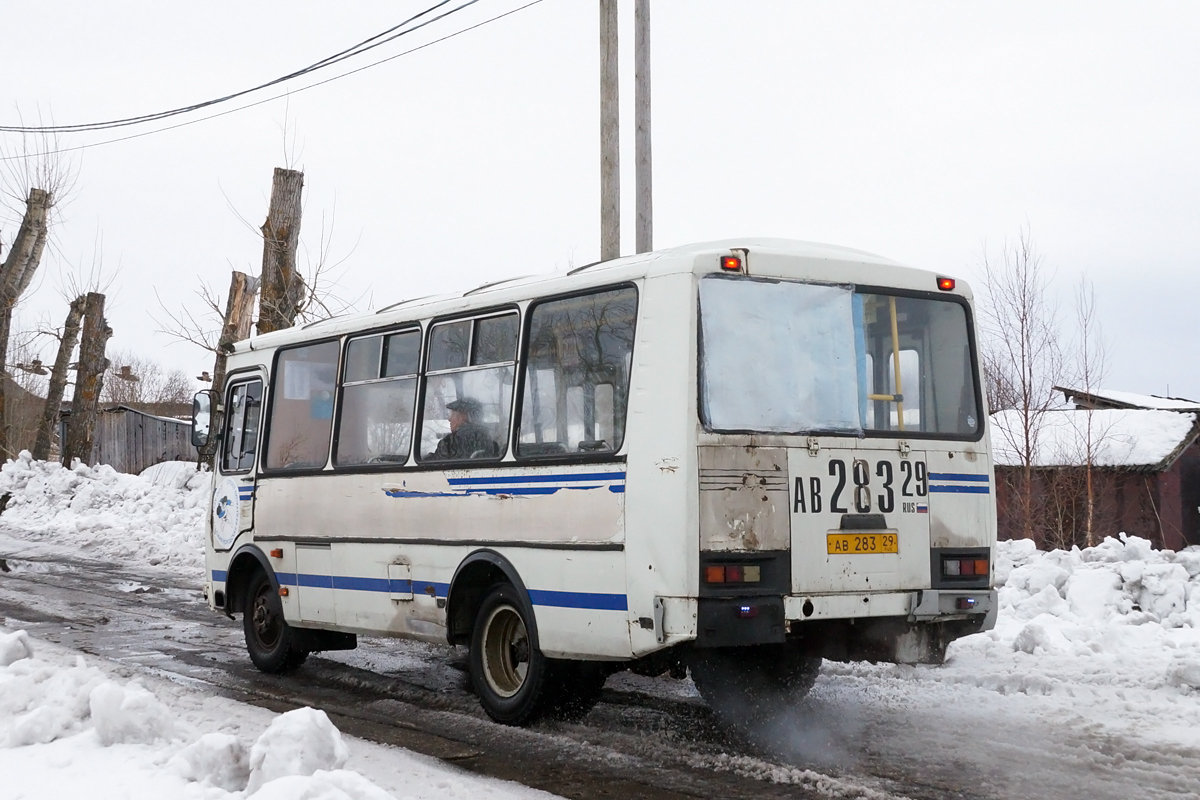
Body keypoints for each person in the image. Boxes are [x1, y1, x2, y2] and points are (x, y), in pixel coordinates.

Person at [431, 398, 499, 459]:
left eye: (453, 415)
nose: (449, 419)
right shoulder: (488, 440)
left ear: (462, 417)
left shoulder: (449, 443)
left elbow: (435, 464)